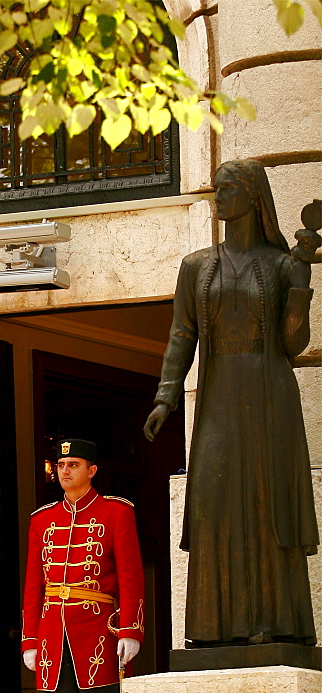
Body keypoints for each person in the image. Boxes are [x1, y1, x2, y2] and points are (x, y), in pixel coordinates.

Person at [144, 159, 318, 647]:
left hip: (269, 395)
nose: (217, 199)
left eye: (226, 190)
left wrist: (300, 290)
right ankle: (213, 626)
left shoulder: (283, 265)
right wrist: (166, 396)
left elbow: (293, 344)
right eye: (215, 190)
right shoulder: (197, 265)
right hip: (218, 397)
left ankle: (273, 623)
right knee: (214, 503)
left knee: (267, 502)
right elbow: (182, 333)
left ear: (251, 196)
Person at [21, 439, 145, 693]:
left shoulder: (116, 512)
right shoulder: (42, 519)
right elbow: (33, 584)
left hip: (99, 634)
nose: (65, 471)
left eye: (73, 464)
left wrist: (131, 630)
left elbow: (131, 577)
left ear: (92, 470)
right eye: (61, 465)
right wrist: (30, 638)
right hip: (53, 639)